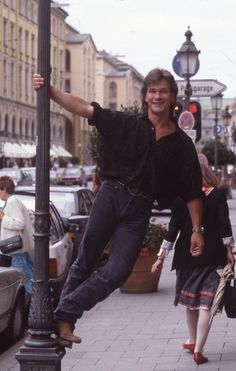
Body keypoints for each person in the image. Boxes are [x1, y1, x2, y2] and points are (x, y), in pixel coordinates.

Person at [33, 68, 204, 347]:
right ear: (145, 96)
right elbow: (85, 108)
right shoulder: (127, 124)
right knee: (84, 261)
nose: (157, 96)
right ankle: (64, 321)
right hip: (110, 195)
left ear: (173, 97)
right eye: (152, 91)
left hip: (139, 208)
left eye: (162, 90)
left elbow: (192, 192)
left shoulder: (182, 145)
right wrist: (50, 91)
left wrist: (197, 230)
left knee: (119, 270)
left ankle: (62, 315)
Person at [151, 163, 235, 365]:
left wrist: (161, 256)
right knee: (207, 303)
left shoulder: (181, 198)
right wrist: (230, 250)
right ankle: (198, 350)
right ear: (208, 174)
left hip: (185, 256)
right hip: (212, 256)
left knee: (190, 301)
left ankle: (192, 340)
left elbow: (173, 230)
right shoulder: (216, 196)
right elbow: (225, 225)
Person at [0, 176, 34, 295]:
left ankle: (40, 306)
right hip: (16, 250)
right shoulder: (12, 201)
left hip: (15, 251)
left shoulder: (12, 201)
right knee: (28, 279)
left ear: (4, 189)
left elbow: (19, 223)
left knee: (25, 282)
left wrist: (3, 217)